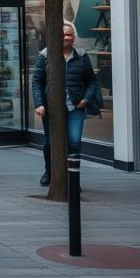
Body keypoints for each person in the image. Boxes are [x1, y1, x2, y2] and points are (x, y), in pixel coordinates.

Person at [31, 21, 100, 187]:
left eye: (69, 35)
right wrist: (39, 104)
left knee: (74, 142)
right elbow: (37, 82)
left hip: (75, 106)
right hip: (51, 108)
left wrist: (86, 100)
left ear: (73, 37)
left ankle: (73, 178)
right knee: (49, 142)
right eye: (63, 35)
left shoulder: (82, 56)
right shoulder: (46, 56)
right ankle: (50, 171)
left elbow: (92, 81)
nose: (66, 38)